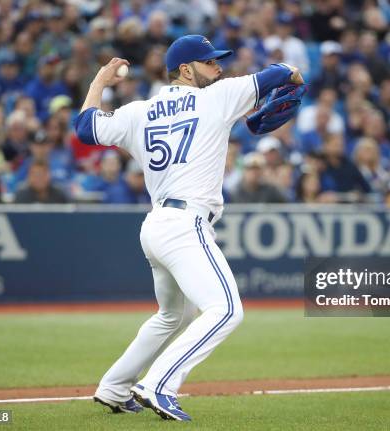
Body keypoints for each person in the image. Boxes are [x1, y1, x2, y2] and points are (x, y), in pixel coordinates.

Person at [74, 35, 303, 421]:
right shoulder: (219, 97)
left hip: (156, 226)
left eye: (218, 61)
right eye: (210, 62)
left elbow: (85, 129)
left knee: (173, 316)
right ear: (185, 69)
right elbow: (283, 73)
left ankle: (114, 387)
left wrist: (99, 82)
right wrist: (298, 80)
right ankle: (158, 384)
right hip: (185, 223)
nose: (218, 67)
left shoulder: (138, 112)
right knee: (227, 309)